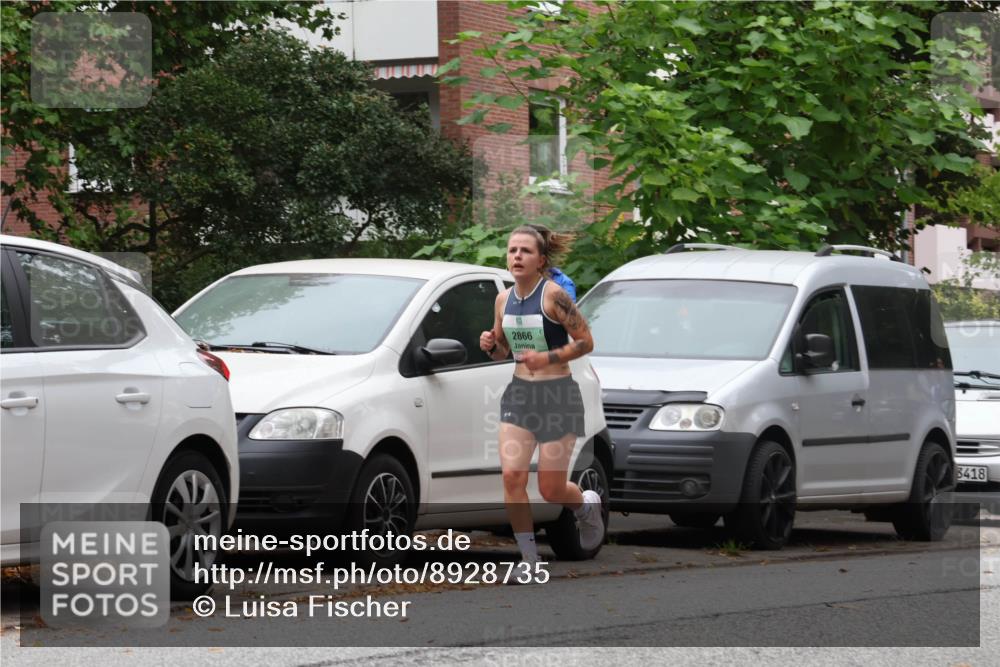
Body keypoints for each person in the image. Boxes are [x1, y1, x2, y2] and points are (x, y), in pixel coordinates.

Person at [479, 224, 604, 570]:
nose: (517, 256)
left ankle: (585, 506)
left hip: (558, 395)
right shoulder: (502, 299)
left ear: (541, 260)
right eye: (512, 251)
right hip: (519, 394)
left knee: (550, 489)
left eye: (526, 251)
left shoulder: (553, 296)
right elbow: (503, 352)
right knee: (512, 478)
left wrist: (547, 358)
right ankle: (530, 559)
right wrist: (492, 344)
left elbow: (586, 342)